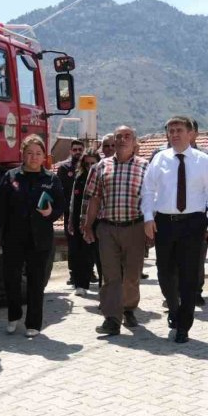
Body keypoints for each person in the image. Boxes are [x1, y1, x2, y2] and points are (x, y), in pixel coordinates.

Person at [142, 116, 208, 344]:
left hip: (193, 223)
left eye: (179, 130)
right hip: (165, 222)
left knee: (189, 275)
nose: (174, 134)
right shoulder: (159, 159)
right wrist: (148, 218)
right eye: (171, 131)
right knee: (164, 273)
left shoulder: (203, 160)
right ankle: (173, 309)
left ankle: (184, 325)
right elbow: (147, 190)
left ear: (191, 134)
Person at [0, 135, 64, 338]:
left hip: (40, 238)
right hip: (14, 237)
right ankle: (14, 316)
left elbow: (61, 206)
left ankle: (33, 324)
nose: (33, 157)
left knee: (35, 281)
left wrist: (51, 213)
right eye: (29, 153)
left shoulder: (51, 179)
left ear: (44, 156)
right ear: (22, 154)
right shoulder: (11, 177)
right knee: (11, 278)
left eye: (38, 153)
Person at [81, 125, 148, 336]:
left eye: (127, 136)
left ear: (134, 141)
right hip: (108, 228)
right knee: (110, 276)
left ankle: (128, 309)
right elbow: (93, 198)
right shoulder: (100, 167)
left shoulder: (146, 167)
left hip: (135, 228)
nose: (122, 140)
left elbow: (152, 200)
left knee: (132, 275)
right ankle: (111, 318)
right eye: (119, 136)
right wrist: (87, 225)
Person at [67, 149, 100, 295]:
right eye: (87, 164)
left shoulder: (102, 177)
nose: (90, 167)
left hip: (99, 220)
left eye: (93, 163)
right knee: (81, 253)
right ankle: (81, 285)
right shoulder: (79, 177)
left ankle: (103, 286)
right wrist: (70, 221)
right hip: (80, 220)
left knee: (100, 255)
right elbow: (73, 201)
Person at [56, 139, 85, 286]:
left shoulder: (89, 167)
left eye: (80, 149)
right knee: (73, 245)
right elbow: (59, 190)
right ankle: (73, 274)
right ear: (70, 151)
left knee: (87, 243)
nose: (78, 152)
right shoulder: (64, 168)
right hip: (70, 213)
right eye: (75, 150)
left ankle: (88, 272)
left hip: (86, 212)